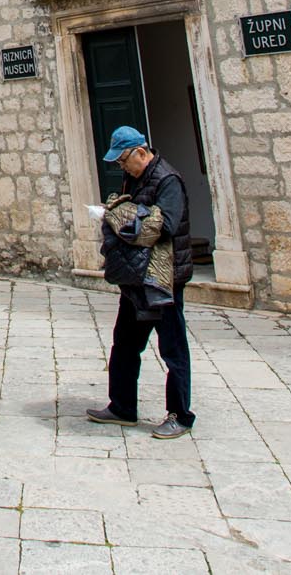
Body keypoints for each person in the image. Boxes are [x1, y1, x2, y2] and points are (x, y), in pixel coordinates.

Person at [88, 126, 197, 439]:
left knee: (173, 349)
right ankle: (122, 406)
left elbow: (165, 225)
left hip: (164, 279)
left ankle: (180, 415)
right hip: (137, 276)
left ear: (140, 151)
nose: (122, 167)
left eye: (124, 160)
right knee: (124, 343)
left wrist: (121, 216)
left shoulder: (168, 180)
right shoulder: (134, 178)